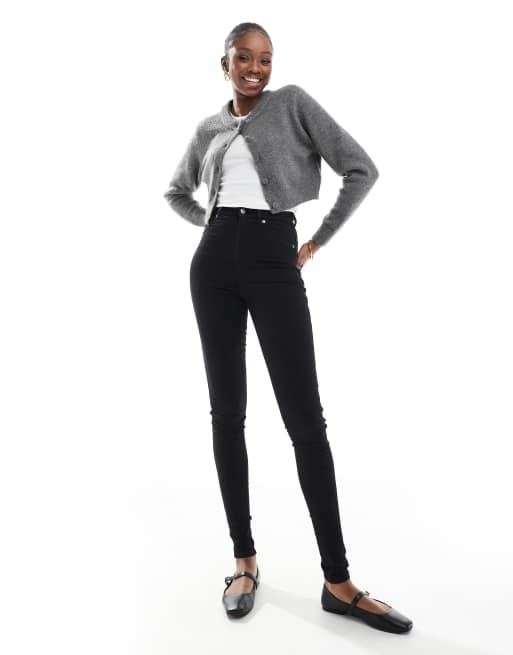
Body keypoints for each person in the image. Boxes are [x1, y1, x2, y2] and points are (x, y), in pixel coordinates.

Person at [163, 22, 413, 633]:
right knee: (227, 414)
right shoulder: (209, 128)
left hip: (277, 259)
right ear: (224, 63)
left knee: (305, 420)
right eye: (244, 58)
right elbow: (175, 191)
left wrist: (317, 240)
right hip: (213, 266)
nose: (256, 68)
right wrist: (213, 224)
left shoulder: (293, 104)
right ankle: (244, 562)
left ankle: (338, 582)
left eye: (266, 59)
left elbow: (361, 169)